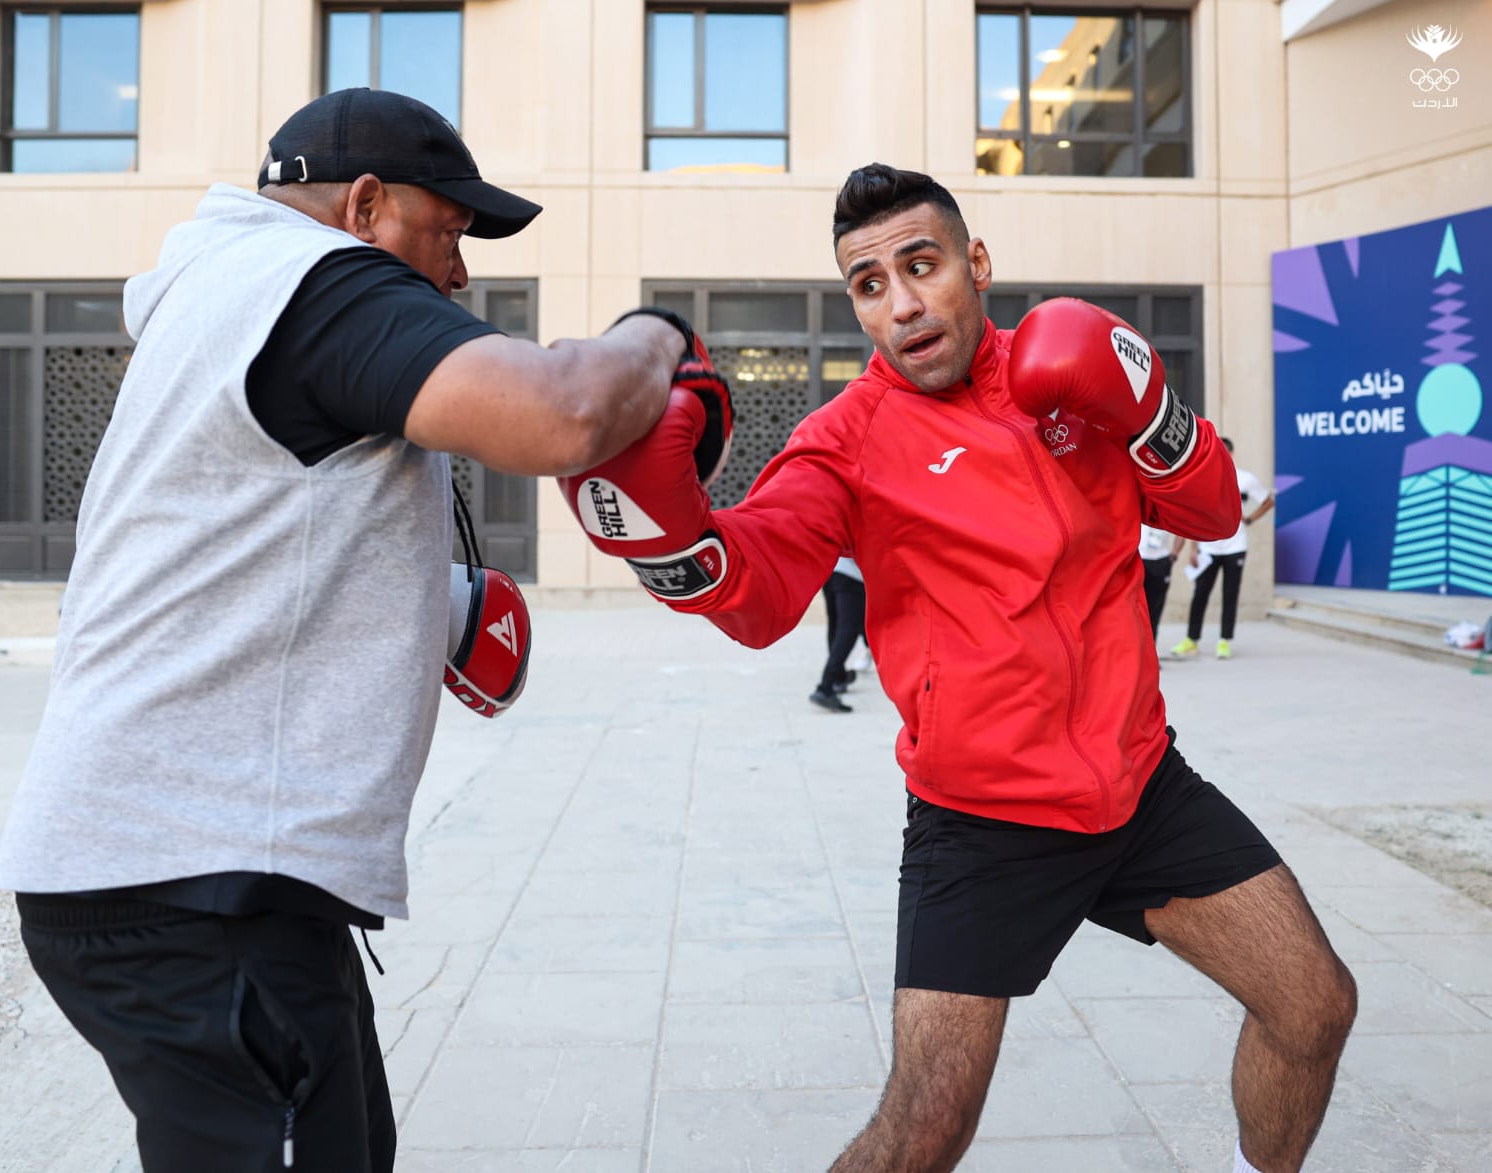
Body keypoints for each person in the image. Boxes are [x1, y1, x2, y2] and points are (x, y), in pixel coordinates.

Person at [558, 164, 1355, 1173]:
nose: (900, 304)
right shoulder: (841, 443)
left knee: (1315, 1005)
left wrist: (1147, 411)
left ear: (974, 265)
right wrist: (676, 548)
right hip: (984, 822)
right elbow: (757, 595)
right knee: (924, 1128)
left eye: (920, 266)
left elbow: (1207, 515)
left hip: (1140, 787)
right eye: (868, 284)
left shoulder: (1071, 375)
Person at [0, 88, 717, 1173]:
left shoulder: (224, 296)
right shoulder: (313, 283)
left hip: (201, 881)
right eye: (451, 232)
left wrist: (419, 606)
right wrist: (660, 336)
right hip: (193, 886)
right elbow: (563, 413)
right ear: (367, 206)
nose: (460, 272)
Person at [1171, 437, 1276, 660]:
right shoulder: (1201, 479)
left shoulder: (1245, 479)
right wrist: (1193, 549)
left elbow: (1268, 500)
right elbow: (1195, 516)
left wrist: (1250, 520)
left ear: (1231, 453)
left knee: (1230, 594)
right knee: (1200, 594)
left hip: (1235, 547)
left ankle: (1224, 641)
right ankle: (1192, 639)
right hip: (1208, 549)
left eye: (1225, 453)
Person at [811, 555, 866, 712]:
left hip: (830, 569)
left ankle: (838, 676)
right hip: (851, 573)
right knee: (848, 628)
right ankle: (826, 686)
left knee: (835, 624)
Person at [1138, 523, 1178, 638]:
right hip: (1139, 558)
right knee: (1134, 608)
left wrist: (1174, 554)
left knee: (1155, 609)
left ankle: (1151, 647)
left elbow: (1182, 529)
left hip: (1160, 560)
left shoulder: (1164, 507)